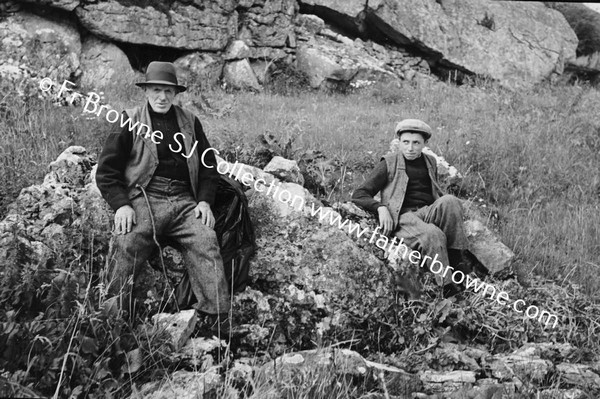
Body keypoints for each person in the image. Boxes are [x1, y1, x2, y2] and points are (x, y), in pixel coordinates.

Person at [96, 61, 230, 316]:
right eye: (156, 90)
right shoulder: (130, 119)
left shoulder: (190, 122)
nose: (162, 96)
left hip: (184, 200)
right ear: (146, 92)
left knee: (206, 240)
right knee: (128, 241)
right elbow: (107, 170)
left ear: (176, 94)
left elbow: (208, 165)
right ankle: (111, 318)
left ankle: (217, 317)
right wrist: (122, 204)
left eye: (168, 91)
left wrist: (204, 202)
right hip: (146, 196)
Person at [352, 119, 472, 294]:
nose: (410, 148)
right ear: (398, 142)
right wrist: (380, 207)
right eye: (405, 142)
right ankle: (447, 289)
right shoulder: (389, 162)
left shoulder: (430, 161)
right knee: (433, 234)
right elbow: (359, 194)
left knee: (450, 201)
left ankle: (457, 264)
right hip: (401, 217)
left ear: (425, 143)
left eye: (416, 143)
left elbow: (433, 193)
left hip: (424, 212)